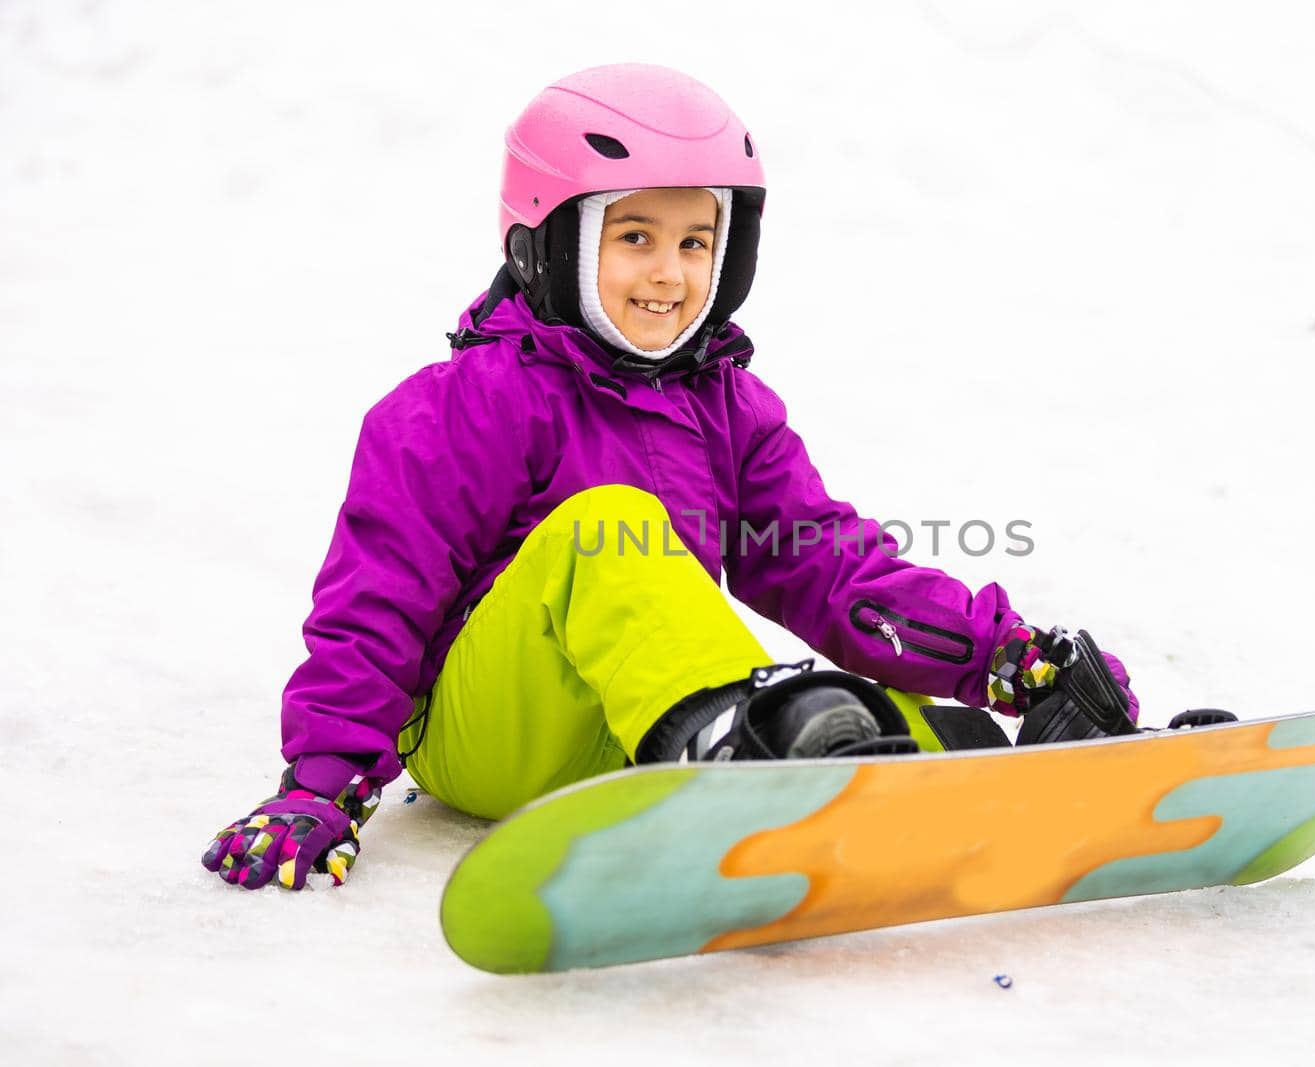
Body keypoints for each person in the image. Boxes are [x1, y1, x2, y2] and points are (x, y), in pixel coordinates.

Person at [201, 63, 1143, 892]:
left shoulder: (730, 407)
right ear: (548, 241)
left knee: (824, 700)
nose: (670, 273)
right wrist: (319, 789)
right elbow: (378, 602)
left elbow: (831, 568)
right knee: (604, 525)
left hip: (642, 724)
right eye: (635, 237)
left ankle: (960, 764)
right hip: (485, 738)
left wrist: (1009, 656)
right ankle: (740, 765)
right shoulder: (464, 403)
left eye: (697, 242)